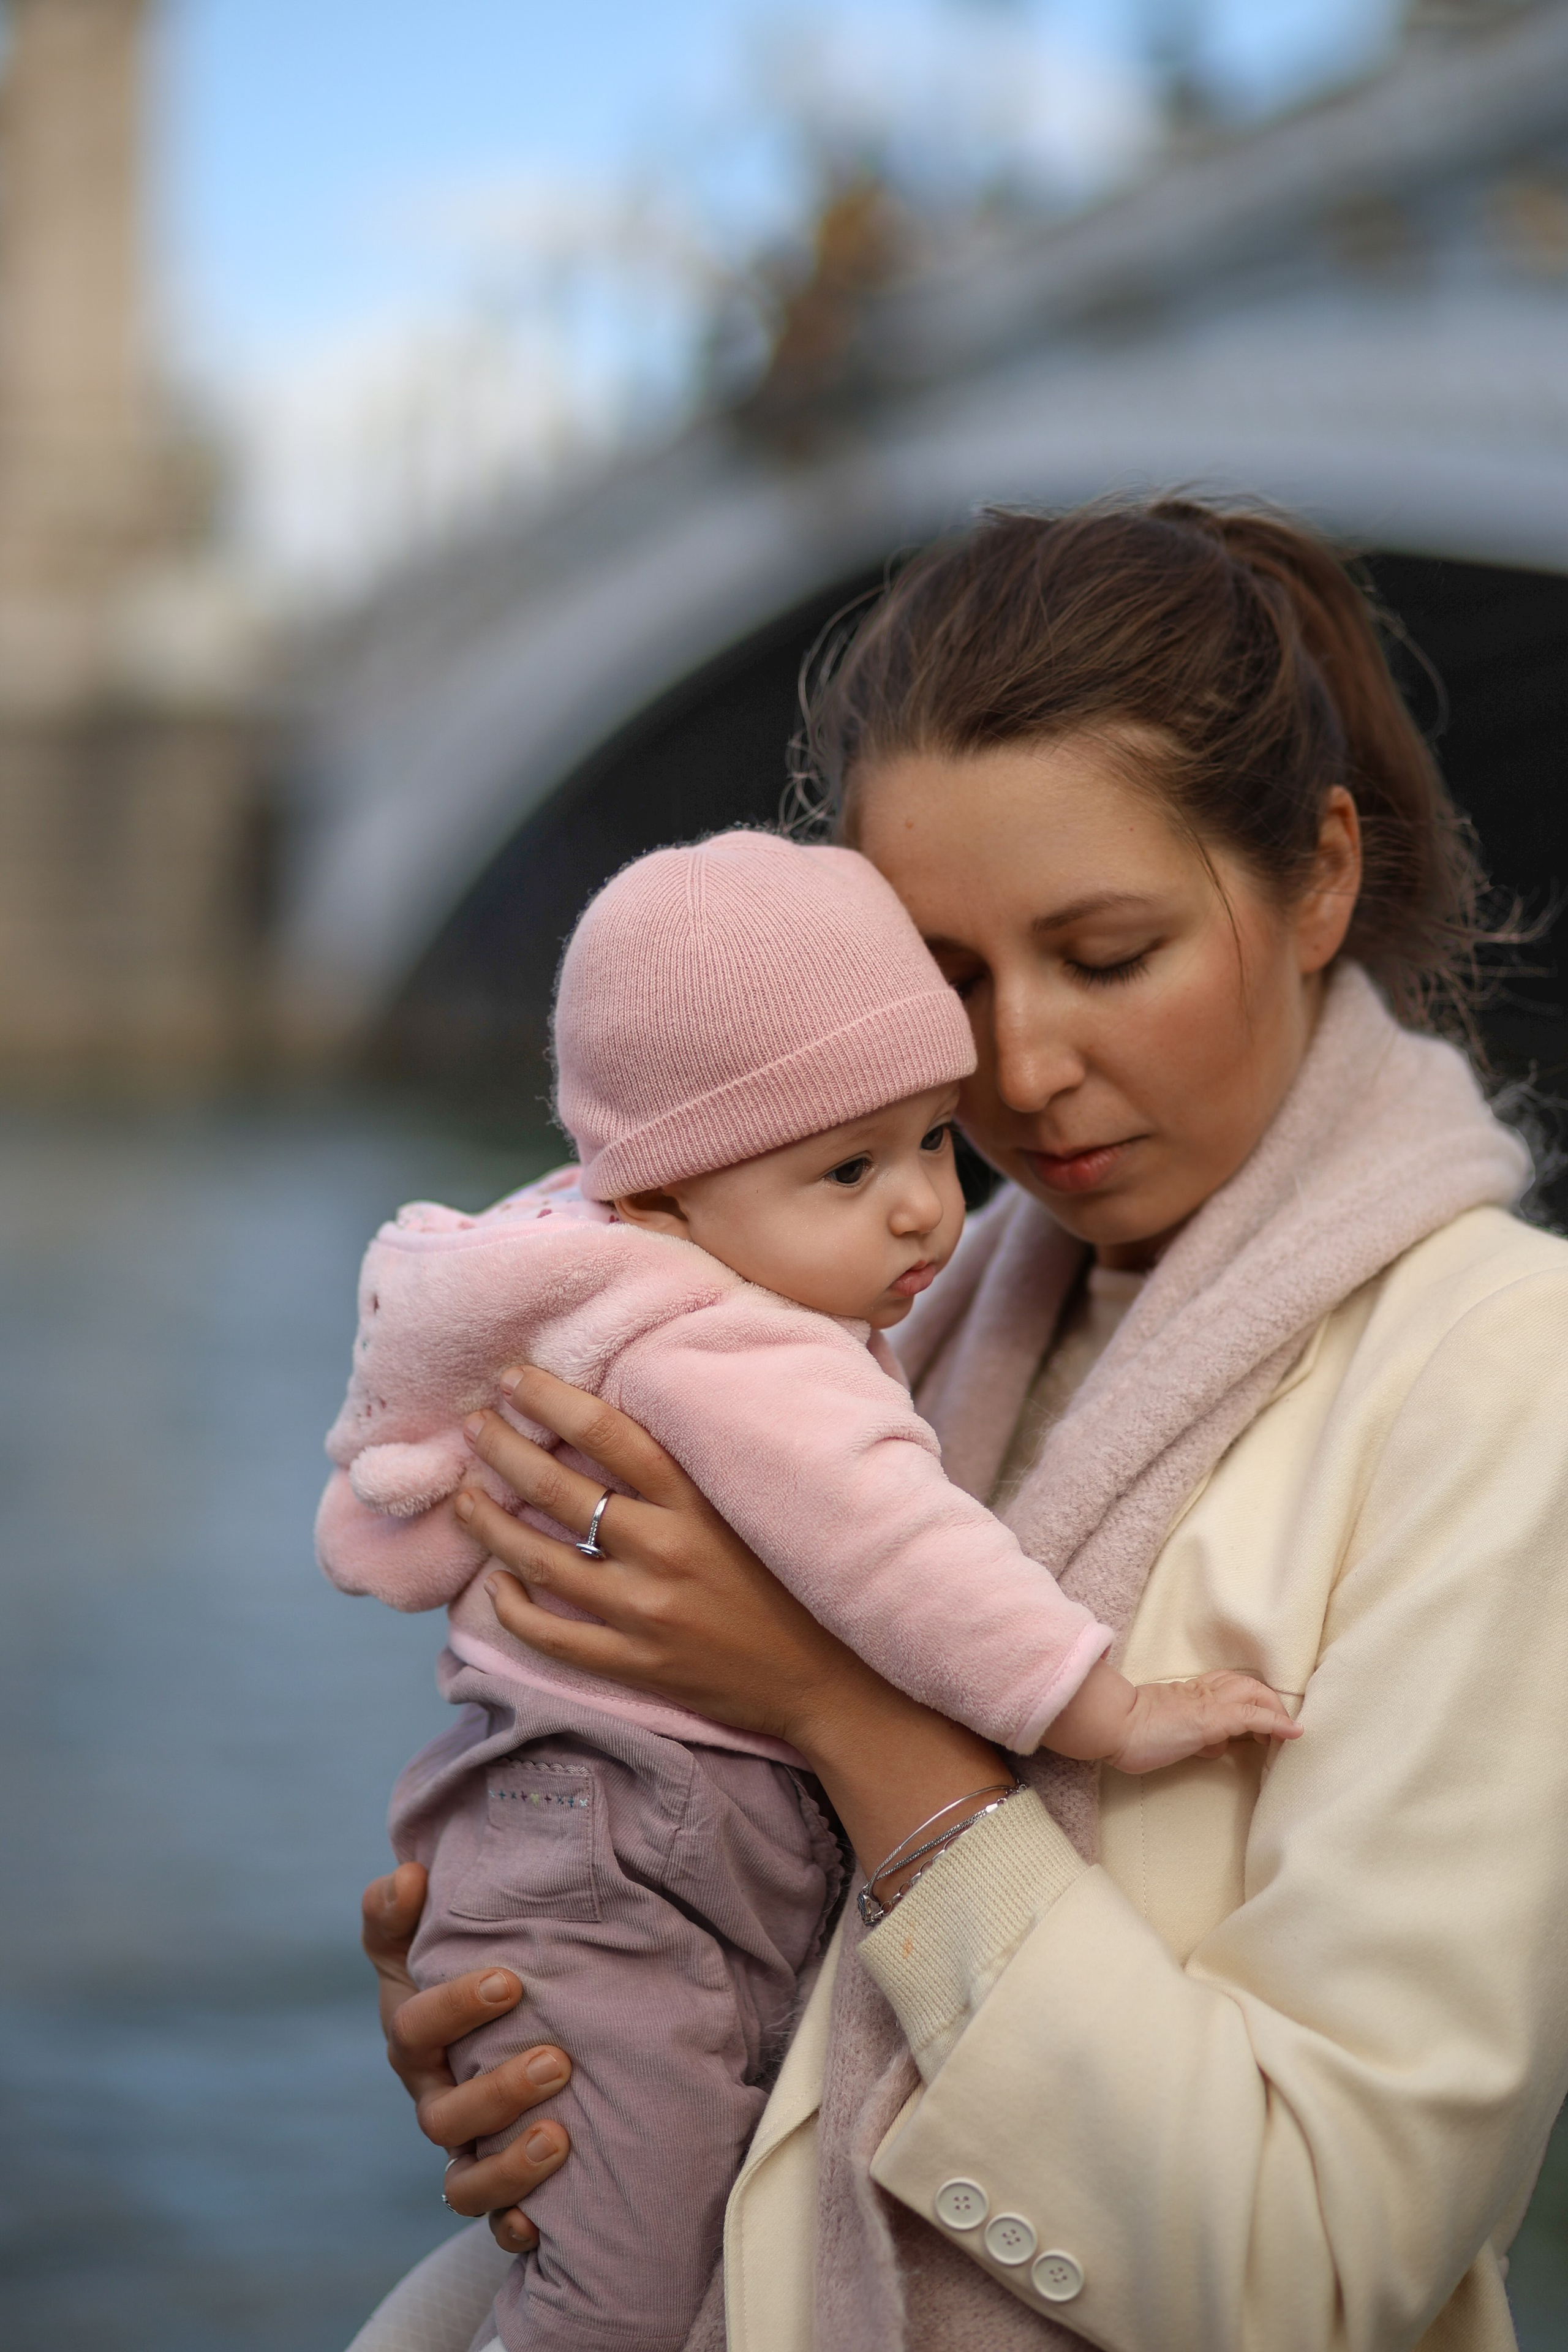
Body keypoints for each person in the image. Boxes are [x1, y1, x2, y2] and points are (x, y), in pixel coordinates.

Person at [347, 499, 1568, 2352]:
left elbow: (1327, 2259)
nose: (1019, 1072)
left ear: (1322, 878)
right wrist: (539, 2005)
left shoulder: (1502, 1377)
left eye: (1105, 953)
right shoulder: (861, 1333)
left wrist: (851, 1720)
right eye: (949, 983)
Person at [322, 832, 1295, 2352]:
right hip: (633, 1847)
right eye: (847, 1169)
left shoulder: (617, 1280)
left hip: (571, 1834)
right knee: (625, 2286)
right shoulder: (740, 1349)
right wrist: (1100, 1707)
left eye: (923, 1139)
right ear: (658, 1203)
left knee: (632, 2218)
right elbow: (902, 1554)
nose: (923, 1209)